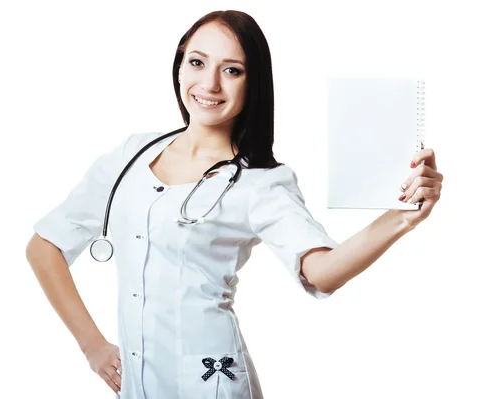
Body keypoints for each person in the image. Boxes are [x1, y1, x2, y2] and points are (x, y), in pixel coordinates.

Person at [25, 9, 443, 399]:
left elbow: (321, 273)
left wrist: (401, 219)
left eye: (232, 70)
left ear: (253, 82)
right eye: (197, 62)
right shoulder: (130, 156)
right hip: (137, 383)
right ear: (179, 64)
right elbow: (45, 246)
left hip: (213, 381)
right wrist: (92, 345)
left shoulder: (260, 182)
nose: (209, 85)